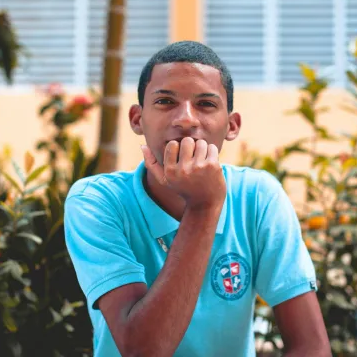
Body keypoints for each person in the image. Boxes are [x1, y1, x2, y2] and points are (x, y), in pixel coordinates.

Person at [64, 41, 330, 357]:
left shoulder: (258, 198)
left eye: (205, 104)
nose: (187, 119)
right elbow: (141, 349)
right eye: (165, 101)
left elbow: (311, 346)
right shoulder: (96, 202)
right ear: (138, 119)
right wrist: (204, 207)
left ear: (232, 126)